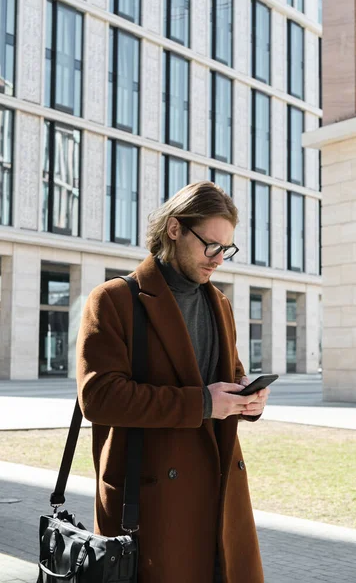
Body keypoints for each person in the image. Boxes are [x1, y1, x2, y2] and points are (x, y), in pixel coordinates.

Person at [76, 182, 269, 583]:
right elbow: (99, 397)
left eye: (226, 249)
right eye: (210, 245)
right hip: (153, 504)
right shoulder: (114, 299)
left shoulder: (220, 303)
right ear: (176, 229)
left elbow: (228, 373)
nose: (218, 259)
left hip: (220, 497)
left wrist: (247, 397)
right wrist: (201, 404)